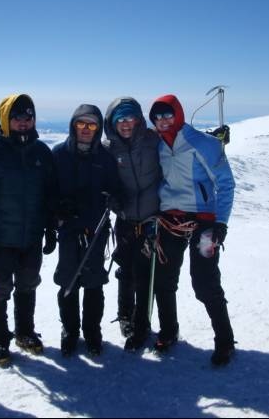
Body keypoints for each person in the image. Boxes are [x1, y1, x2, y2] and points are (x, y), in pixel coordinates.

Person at [0, 93, 57, 368]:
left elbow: (50, 194)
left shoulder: (42, 152)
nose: (23, 122)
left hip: (31, 236)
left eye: (28, 117)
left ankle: (25, 333)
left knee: (28, 285)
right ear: (6, 120)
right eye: (17, 117)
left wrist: (50, 228)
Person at [149, 94, 236, 366]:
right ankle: (168, 332)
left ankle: (224, 341)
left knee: (204, 283)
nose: (163, 121)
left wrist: (220, 222)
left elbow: (226, 183)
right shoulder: (156, 144)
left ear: (179, 114)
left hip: (204, 221)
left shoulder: (203, 144)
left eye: (167, 115)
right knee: (164, 281)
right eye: (157, 116)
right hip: (169, 220)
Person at [52, 104, 122, 357]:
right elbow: (47, 191)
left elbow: (115, 188)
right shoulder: (58, 154)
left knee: (93, 282)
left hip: (96, 229)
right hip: (69, 229)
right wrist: (58, 210)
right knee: (68, 279)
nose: (85, 129)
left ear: (98, 128)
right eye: (81, 123)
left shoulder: (105, 158)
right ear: (73, 125)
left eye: (91, 124)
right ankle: (70, 331)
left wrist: (114, 199)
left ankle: (92, 332)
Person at [103, 97, 162, 351]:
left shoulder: (153, 141)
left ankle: (141, 325)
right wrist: (115, 203)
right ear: (112, 123)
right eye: (120, 120)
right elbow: (103, 184)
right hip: (126, 220)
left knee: (146, 274)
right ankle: (125, 316)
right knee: (125, 271)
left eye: (130, 119)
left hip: (152, 220)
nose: (126, 124)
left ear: (138, 119)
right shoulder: (107, 149)